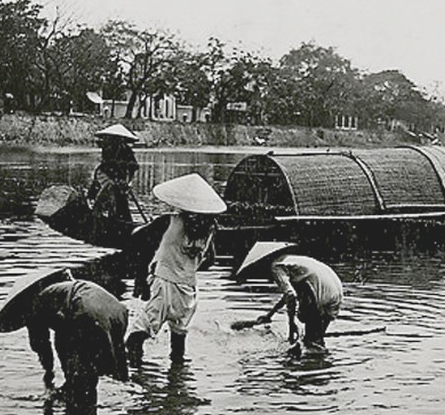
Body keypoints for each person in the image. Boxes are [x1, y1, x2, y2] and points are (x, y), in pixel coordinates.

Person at [0, 267, 129, 415]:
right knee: (90, 370)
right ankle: (86, 414)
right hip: (118, 312)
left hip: (85, 310)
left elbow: (41, 345)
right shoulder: (62, 291)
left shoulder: (37, 303)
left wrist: (48, 377)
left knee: (75, 366)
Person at [125, 173, 226, 366]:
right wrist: (188, 260)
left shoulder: (168, 221)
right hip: (188, 290)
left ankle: (135, 380)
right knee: (178, 338)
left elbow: (138, 242)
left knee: (137, 335)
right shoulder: (210, 228)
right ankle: (176, 380)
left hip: (164, 283)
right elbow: (209, 261)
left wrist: (143, 279)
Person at [236, 241, 344, 352]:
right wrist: (270, 315)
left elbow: (290, 295)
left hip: (318, 290)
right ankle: (320, 363)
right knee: (316, 340)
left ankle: (306, 361)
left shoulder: (276, 266)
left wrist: (291, 324)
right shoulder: (291, 260)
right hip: (336, 290)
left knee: (309, 340)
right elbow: (289, 295)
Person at [87, 123, 140, 235]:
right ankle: (105, 221)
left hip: (119, 181)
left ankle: (122, 224)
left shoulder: (126, 151)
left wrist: (127, 182)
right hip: (107, 178)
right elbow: (104, 168)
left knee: (119, 201)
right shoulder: (107, 148)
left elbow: (132, 168)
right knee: (108, 198)